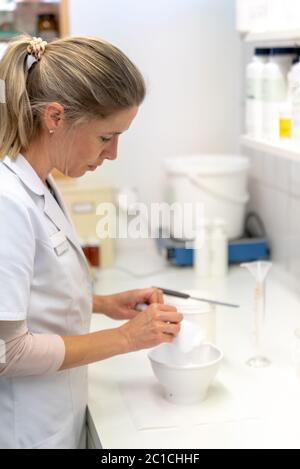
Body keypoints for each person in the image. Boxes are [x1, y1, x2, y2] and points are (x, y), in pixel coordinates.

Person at [0, 35, 182, 449]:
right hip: (26, 433)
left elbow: (30, 292)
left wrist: (102, 304)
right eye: (106, 137)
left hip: (58, 416)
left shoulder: (41, 182)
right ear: (55, 116)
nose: (113, 153)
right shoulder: (7, 202)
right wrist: (128, 338)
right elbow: (6, 353)